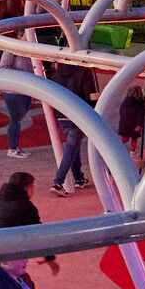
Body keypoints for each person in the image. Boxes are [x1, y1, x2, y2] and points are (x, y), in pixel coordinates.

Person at [49, 61, 94, 194]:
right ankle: (58, 182)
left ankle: (79, 178)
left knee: (74, 146)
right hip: (78, 115)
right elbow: (89, 95)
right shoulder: (84, 72)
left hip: (62, 114)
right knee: (70, 148)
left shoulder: (57, 74)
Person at [118, 80, 145, 160]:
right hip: (134, 124)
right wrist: (140, 125)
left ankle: (119, 150)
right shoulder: (140, 103)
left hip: (124, 123)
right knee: (134, 139)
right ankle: (132, 152)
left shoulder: (126, 101)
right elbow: (141, 115)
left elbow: (121, 111)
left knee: (124, 138)